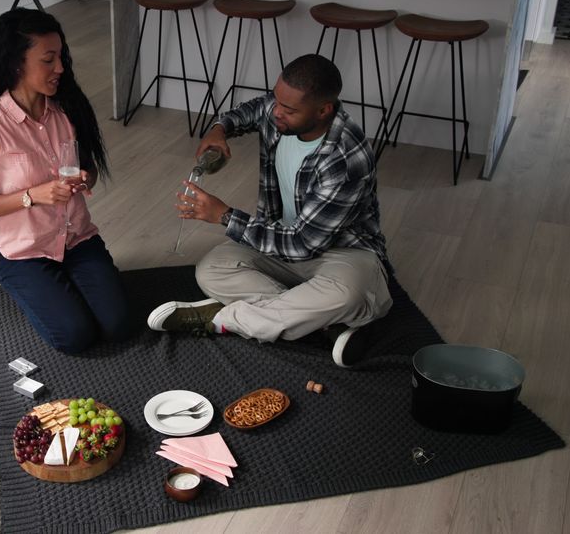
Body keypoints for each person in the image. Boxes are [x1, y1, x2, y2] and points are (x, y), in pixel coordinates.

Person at [146, 54, 392, 367]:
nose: (276, 112)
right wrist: (219, 128)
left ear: (323, 110)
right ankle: (322, 322)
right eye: (277, 101)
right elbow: (251, 111)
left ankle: (223, 319)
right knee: (211, 269)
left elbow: (303, 244)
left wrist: (224, 215)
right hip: (281, 244)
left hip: (343, 254)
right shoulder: (281, 113)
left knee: (347, 295)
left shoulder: (344, 157)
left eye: (288, 109)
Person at [0, 8, 131, 353]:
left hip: (77, 239)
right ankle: (31, 288)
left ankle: (64, 285)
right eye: (48, 59)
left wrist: (87, 176)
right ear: (16, 63)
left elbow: (90, 170)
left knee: (119, 325)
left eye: (61, 57)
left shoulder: (67, 108)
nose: (61, 68)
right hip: (23, 252)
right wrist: (33, 195)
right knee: (74, 336)